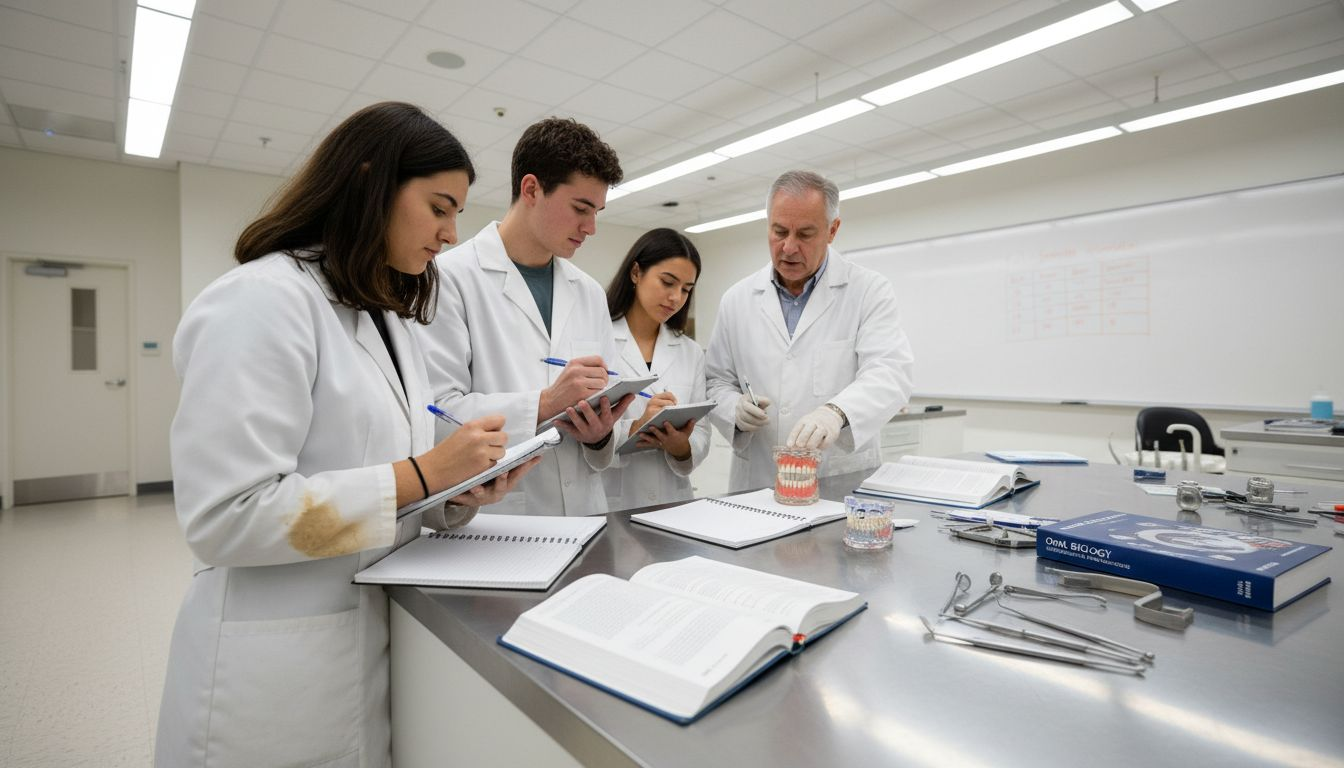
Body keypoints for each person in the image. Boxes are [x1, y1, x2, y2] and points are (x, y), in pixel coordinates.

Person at [156, 102, 537, 767]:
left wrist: (456, 490)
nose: (450, 234)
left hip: (367, 645)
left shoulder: (385, 319)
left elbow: (391, 474)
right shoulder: (261, 300)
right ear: (370, 183)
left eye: (456, 215)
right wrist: (425, 474)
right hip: (272, 673)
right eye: (439, 208)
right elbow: (226, 517)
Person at [422, 117, 632, 517]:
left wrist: (600, 435)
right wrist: (545, 403)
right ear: (532, 189)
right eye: (581, 208)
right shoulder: (449, 278)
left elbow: (611, 401)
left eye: (597, 212)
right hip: (499, 521)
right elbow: (437, 414)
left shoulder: (588, 292)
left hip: (586, 516)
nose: (591, 227)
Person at [705, 170, 914, 492]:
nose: (788, 247)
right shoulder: (737, 299)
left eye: (804, 234)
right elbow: (717, 380)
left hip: (837, 476)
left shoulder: (868, 290)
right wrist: (733, 408)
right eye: (779, 231)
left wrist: (836, 413)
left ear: (832, 230)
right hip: (759, 478)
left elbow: (890, 373)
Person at [601, 228, 710, 511]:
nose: (676, 297)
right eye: (667, 282)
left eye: (686, 289)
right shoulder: (598, 340)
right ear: (636, 272)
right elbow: (581, 435)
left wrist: (680, 447)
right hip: (611, 501)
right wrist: (636, 428)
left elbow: (702, 433)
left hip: (674, 501)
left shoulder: (690, 352)